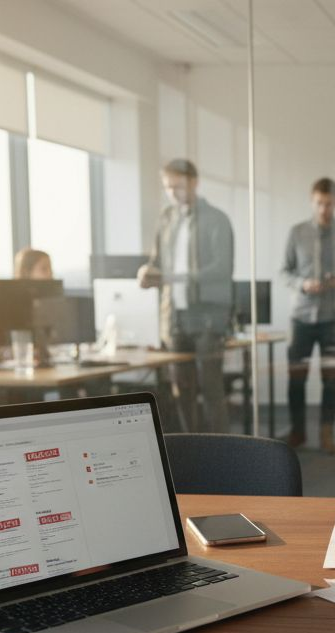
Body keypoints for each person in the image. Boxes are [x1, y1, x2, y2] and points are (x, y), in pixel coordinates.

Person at [138, 159, 234, 433]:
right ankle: (190, 452)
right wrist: (148, 272)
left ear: (194, 183)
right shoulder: (167, 219)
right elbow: (158, 261)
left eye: (178, 186)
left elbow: (222, 268)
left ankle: (222, 456)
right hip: (175, 315)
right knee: (182, 388)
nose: (173, 192)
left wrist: (179, 277)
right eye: (168, 187)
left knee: (211, 388)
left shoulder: (215, 219)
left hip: (206, 316)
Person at [281, 178, 335, 453]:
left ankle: (327, 435)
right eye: (319, 203)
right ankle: (298, 432)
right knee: (296, 379)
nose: (324, 208)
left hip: (333, 317)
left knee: (331, 380)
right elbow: (284, 272)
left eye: (328, 203)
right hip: (300, 317)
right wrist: (303, 284)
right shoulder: (296, 232)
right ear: (312, 201)